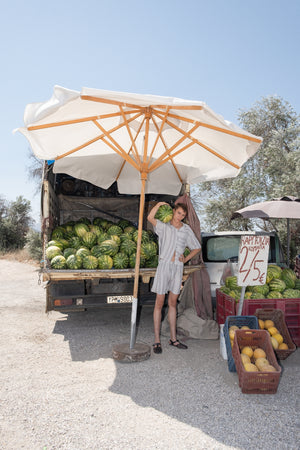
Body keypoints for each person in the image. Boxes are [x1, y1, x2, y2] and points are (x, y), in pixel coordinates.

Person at [147, 201, 201, 354]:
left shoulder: (186, 229)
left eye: (183, 215)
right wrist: (158, 204)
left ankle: (173, 339)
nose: (181, 217)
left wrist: (186, 258)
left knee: (172, 303)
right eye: (179, 213)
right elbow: (150, 217)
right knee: (159, 303)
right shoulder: (164, 227)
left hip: (177, 268)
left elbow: (196, 247)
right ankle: (157, 340)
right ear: (173, 212)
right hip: (164, 266)